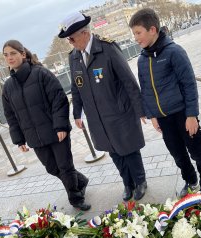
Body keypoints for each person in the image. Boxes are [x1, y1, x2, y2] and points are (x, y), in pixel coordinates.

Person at [129, 8, 201, 197]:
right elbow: (146, 90)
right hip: (163, 119)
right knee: (178, 155)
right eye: (134, 34)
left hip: (183, 114)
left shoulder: (174, 52)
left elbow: (189, 84)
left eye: (138, 33)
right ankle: (191, 181)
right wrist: (152, 115)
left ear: (152, 29)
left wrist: (192, 115)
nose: (136, 38)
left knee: (197, 151)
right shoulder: (142, 60)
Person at [58, 12, 147, 201]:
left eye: (71, 39)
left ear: (84, 33)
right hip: (97, 116)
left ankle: (140, 181)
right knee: (113, 151)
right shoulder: (74, 57)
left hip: (119, 112)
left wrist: (141, 110)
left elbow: (128, 81)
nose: (70, 43)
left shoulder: (107, 48)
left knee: (128, 149)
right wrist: (77, 114)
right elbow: (76, 87)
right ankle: (127, 183)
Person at [1, 40, 91, 211]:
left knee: (65, 167)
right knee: (52, 168)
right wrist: (19, 139)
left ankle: (76, 198)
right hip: (34, 137)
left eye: (13, 53)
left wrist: (61, 126)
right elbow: (10, 115)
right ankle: (81, 181)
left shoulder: (41, 74)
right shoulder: (8, 87)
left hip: (56, 132)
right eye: (6, 55)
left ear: (23, 54)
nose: (9, 57)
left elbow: (59, 100)